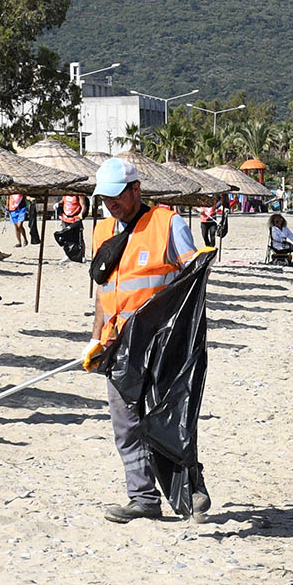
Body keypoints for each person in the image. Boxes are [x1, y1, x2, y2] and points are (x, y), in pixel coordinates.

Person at [80, 157, 209, 523]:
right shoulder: (103, 231)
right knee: (125, 425)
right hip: (119, 345)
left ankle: (192, 490)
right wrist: (95, 339)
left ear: (137, 190)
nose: (111, 204)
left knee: (168, 417)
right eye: (105, 198)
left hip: (162, 343)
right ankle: (143, 498)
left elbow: (192, 282)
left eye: (117, 196)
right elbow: (104, 292)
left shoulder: (168, 224)